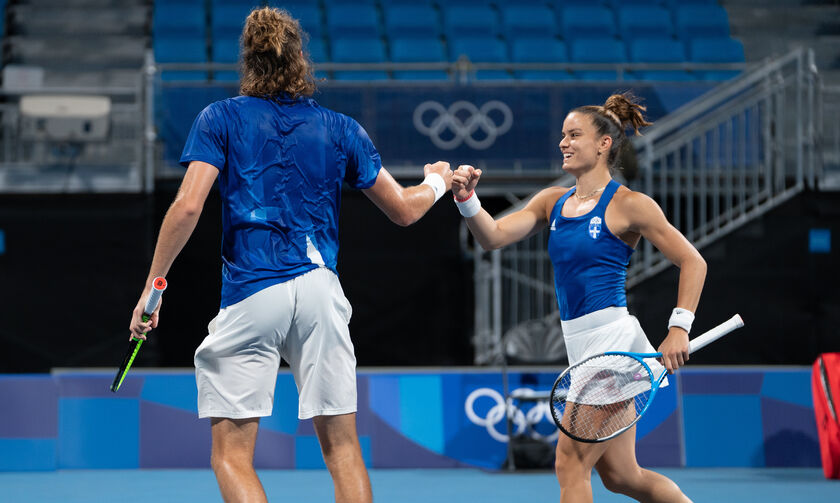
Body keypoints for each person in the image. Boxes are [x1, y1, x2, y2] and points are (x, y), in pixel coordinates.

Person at [128, 7, 453, 503]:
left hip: (253, 292)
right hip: (321, 293)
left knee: (232, 456)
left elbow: (188, 206)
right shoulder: (342, 128)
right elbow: (406, 211)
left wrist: (152, 290)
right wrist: (439, 180)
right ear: (300, 58)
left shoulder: (219, 117)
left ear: (248, 61)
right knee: (343, 447)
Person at [452, 93, 706, 503]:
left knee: (569, 462)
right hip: (581, 347)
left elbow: (693, 262)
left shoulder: (630, 205)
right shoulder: (553, 201)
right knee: (623, 476)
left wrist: (679, 328)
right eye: (562, 135)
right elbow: (493, 237)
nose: (563, 143)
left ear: (604, 144)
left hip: (613, 347)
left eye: (574, 135)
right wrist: (467, 200)